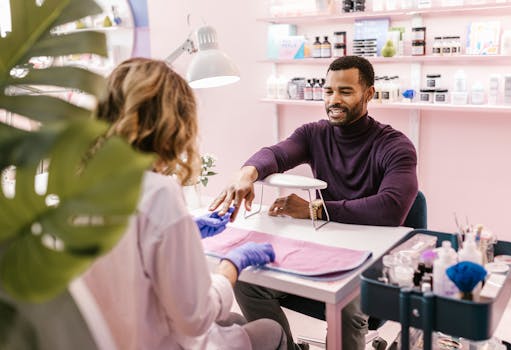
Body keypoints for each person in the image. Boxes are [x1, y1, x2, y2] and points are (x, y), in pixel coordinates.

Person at [209, 55, 418, 350]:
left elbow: (391, 209)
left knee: (347, 304)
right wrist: (246, 173)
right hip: (324, 249)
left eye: (345, 92)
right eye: (329, 91)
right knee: (247, 279)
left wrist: (313, 210)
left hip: (369, 260)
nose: (334, 100)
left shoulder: (394, 145)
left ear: (369, 94)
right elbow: (277, 154)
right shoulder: (314, 134)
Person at [82, 57, 287, 350]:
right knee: (270, 329)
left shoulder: (82, 185)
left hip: (107, 338)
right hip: (156, 341)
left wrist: (184, 229)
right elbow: (195, 318)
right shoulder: (157, 193)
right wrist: (233, 263)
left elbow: (123, 249)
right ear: (173, 125)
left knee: (237, 323)